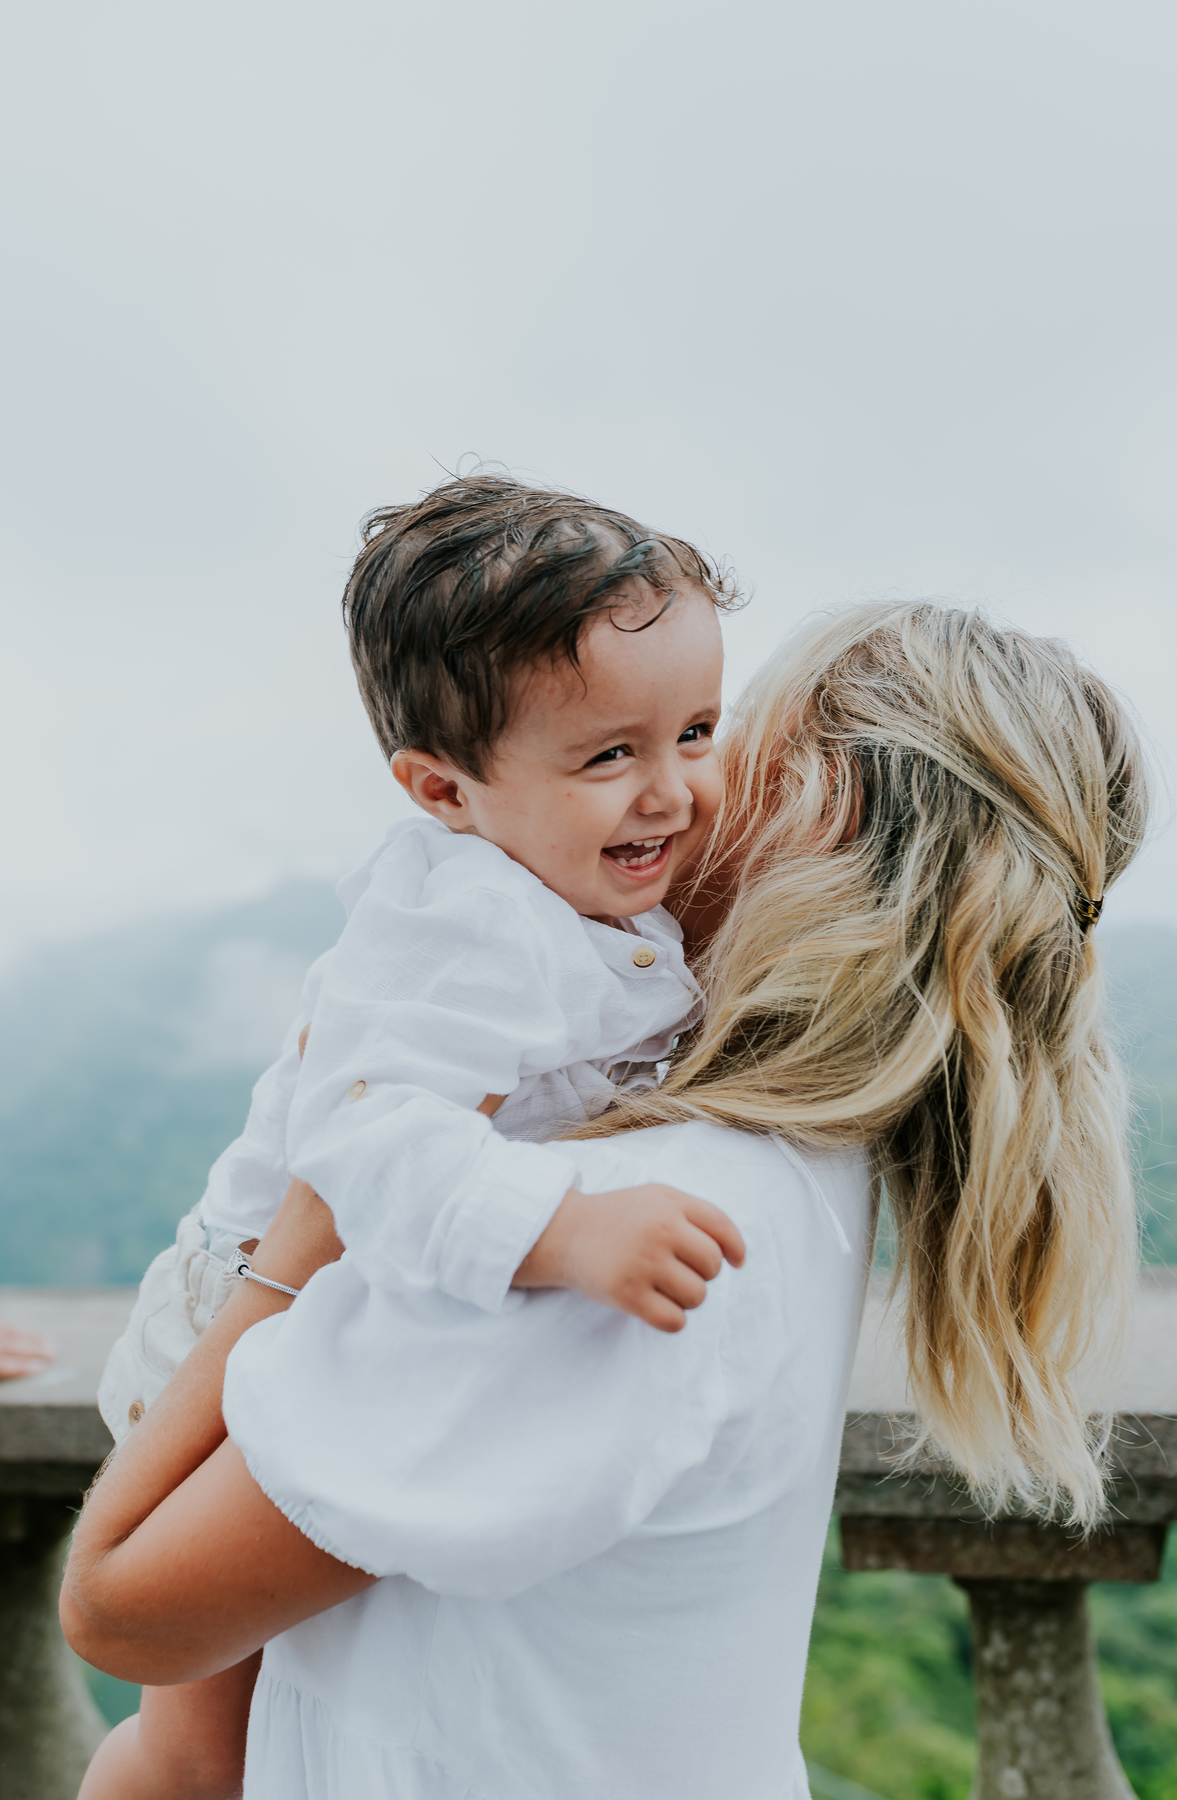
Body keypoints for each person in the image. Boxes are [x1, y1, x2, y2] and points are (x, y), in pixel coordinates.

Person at [63, 603, 1148, 1800]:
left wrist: (305, 1231)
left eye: (710, 738)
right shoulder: (810, 1159)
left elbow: (122, 1612)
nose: (679, 790)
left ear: (812, 807)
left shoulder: (612, 1236)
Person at [84, 475, 745, 1799]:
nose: (672, 791)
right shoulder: (473, 929)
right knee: (197, 1748)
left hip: (339, 1299)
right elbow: (368, 1136)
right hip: (236, 1320)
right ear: (442, 789)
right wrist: (561, 1227)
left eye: (697, 730)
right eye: (611, 755)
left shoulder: (574, 877)